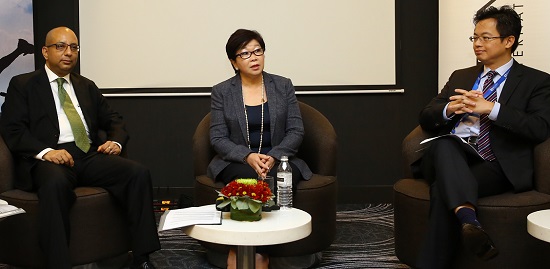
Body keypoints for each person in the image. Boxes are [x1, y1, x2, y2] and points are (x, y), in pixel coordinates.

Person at [0, 27, 160, 269]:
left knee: (137, 173)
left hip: (87, 154)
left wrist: (115, 142)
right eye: (60, 46)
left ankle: (142, 257)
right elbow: (13, 130)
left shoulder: (85, 85)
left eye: (73, 47)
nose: (68, 53)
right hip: (48, 159)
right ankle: (58, 263)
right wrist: (46, 152)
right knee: (54, 184)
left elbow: (114, 119)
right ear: (45, 51)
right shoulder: (23, 84)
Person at [416, 5, 550, 268]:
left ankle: (465, 223)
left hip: (494, 165)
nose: (477, 44)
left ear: (509, 41)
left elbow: (540, 127)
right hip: (447, 155)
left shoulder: (536, 81)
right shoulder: (462, 76)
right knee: (446, 145)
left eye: (485, 38)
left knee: (442, 190)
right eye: (474, 37)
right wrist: (449, 109)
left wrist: (492, 109)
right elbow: (426, 115)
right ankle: (469, 221)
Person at [207, 29, 313, 269]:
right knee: (247, 180)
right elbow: (218, 137)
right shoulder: (222, 91)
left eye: (257, 51)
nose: (253, 57)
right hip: (237, 161)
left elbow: (296, 130)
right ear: (233, 62)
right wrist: (247, 156)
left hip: (280, 159)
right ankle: (244, 249)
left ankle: (257, 252)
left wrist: (273, 156)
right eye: (244, 54)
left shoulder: (282, 85)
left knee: (277, 179)